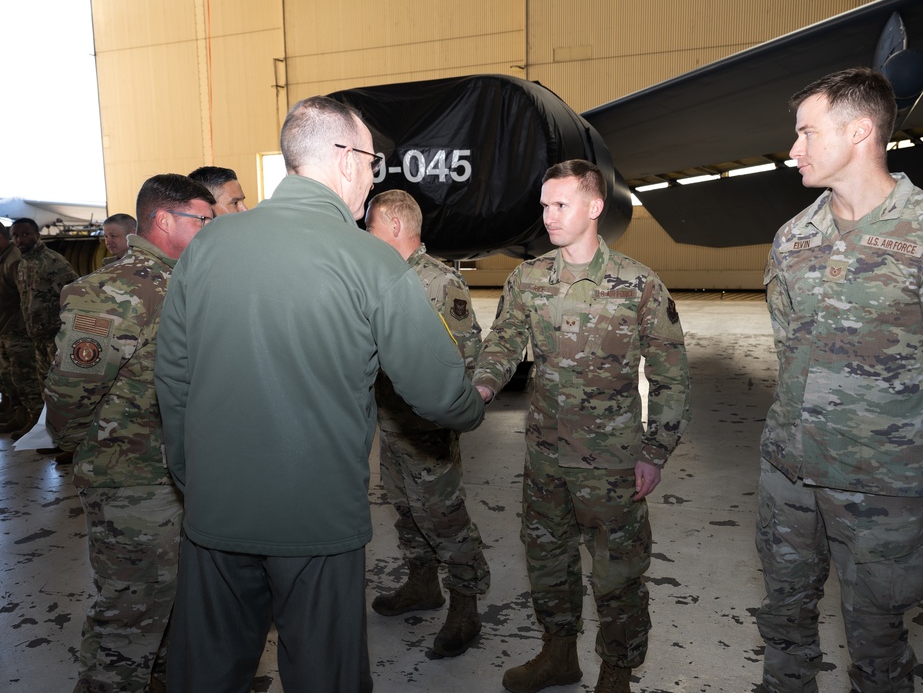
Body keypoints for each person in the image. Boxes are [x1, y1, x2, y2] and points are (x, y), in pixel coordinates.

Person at [155, 96, 485, 693]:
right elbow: (440, 393)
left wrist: (191, 476)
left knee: (206, 672)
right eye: (373, 164)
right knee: (323, 674)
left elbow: (173, 379)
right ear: (346, 160)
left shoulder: (206, 247)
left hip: (215, 510)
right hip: (317, 520)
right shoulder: (371, 261)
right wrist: (473, 405)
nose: (373, 179)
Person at [757, 67, 923, 693]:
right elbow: (788, 347)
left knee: (878, 637)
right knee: (783, 614)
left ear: (860, 131)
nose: (794, 149)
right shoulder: (794, 238)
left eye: (807, 133)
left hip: (882, 483)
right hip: (789, 469)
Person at [473, 159, 691, 693]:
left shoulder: (638, 284)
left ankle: (617, 673)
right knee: (547, 560)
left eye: (560, 205)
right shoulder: (527, 279)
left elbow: (670, 376)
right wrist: (482, 385)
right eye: (544, 205)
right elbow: (504, 342)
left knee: (618, 574)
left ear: (594, 207)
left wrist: (656, 452)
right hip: (545, 456)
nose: (548, 216)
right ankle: (558, 656)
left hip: (612, 464)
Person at [44, 174, 216, 693]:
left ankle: (166, 678)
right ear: (163, 220)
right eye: (202, 220)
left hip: (182, 474)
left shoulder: (186, 280)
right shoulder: (115, 290)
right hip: (132, 480)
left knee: (176, 597)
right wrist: (91, 449)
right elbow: (70, 393)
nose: (211, 229)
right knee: (132, 608)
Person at [364, 189, 490, 657]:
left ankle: (466, 605)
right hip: (392, 424)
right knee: (405, 508)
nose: (366, 236)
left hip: (428, 430)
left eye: (371, 227)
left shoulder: (438, 280)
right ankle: (422, 584)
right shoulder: (382, 277)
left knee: (444, 517)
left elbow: (466, 354)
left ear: (395, 225)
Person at [10, 217, 78, 438]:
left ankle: (68, 438)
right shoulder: (23, 264)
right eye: (15, 236)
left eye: (25, 234)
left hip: (57, 338)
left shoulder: (53, 262)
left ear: (37, 235)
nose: (20, 240)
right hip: (38, 338)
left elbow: (74, 296)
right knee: (45, 390)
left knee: (62, 391)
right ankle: (48, 433)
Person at [0, 225, 38, 436]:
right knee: (9, 376)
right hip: (7, 327)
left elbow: (24, 296)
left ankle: (33, 420)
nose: (19, 239)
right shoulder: (5, 258)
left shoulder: (14, 259)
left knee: (25, 378)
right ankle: (17, 413)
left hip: (18, 328)